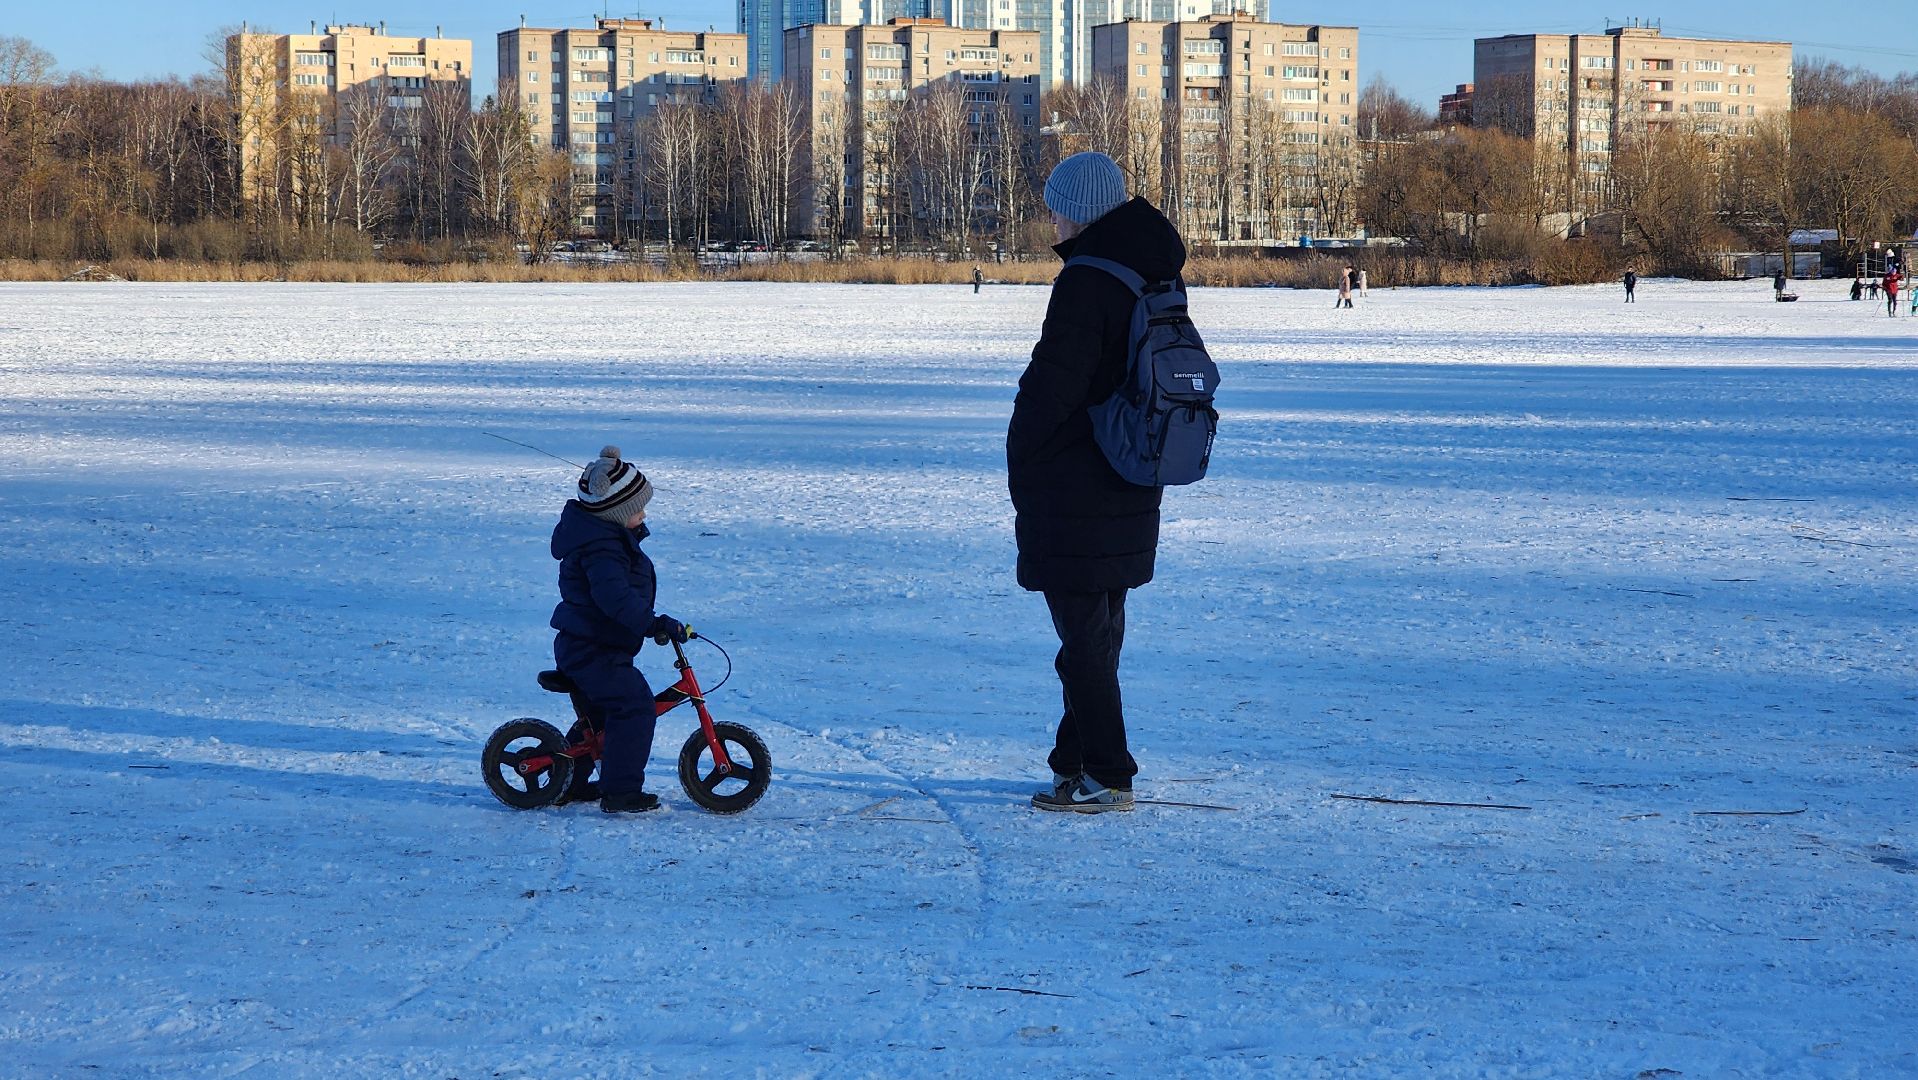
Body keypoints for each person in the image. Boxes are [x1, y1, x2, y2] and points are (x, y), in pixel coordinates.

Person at [1009, 150, 1183, 814]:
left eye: (1055, 205)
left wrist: (1020, 457)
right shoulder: (1152, 271)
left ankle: (1108, 773)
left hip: (1076, 480)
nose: (1049, 215)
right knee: (1097, 632)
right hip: (1135, 470)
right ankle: (1075, 761)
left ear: (1078, 211)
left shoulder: (1087, 279)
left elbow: (1052, 388)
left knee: (1084, 639)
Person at [548, 446, 691, 814]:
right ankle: (621, 792)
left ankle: (568, 779)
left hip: (597, 644)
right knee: (634, 706)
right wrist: (652, 624)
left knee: (600, 721)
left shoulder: (607, 539)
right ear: (616, 514)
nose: (644, 516)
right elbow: (615, 599)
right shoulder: (601, 549)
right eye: (638, 510)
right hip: (590, 649)